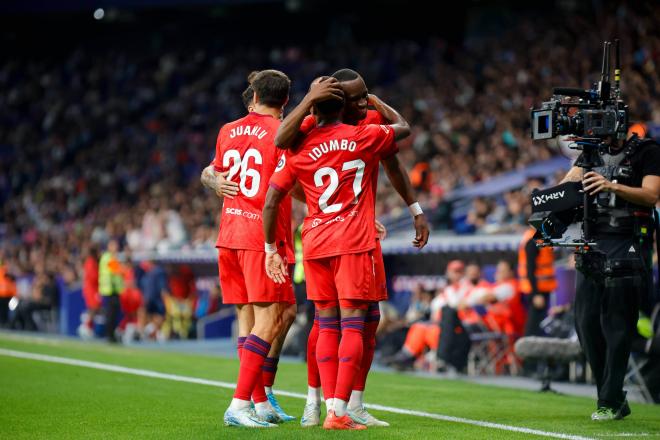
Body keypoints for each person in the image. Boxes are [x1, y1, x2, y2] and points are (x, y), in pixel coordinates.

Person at [275, 69, 429, 427]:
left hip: (351, 233)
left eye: (367, 95)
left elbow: (392, 163)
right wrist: (332, 206)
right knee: (328, 323)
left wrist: (414, 210)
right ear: (339, 102)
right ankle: (319, 402)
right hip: (345, 236)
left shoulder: (367, 120)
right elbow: (282, 179)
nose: (365, 102)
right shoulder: (310, 127)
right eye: (358, 98)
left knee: (367, 320)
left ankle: (351, 404)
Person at [205, 70, 297, 429]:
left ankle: (258, 402)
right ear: (286, 101)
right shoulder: (283, 134)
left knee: (248, 321)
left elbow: (214, 173)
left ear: (253, 96)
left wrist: (209, 178)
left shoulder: (227, 130)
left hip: (228, 234)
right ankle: (239, 403)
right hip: (260, 237)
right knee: (270, 320)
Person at [559, 130, 660, 420]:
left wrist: (610, 186)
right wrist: (560, 191)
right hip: (593, 241)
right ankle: (613, 395)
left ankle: (609, 400)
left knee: (617, 323)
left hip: (629, 240)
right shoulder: (590, 153)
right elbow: (566, 187)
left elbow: (651, 195)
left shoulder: (647, 151)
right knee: (585, 321)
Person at [518, 227, 557, 337]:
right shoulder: (533, 241)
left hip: (541, 289)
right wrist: (536, 294)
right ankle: (528, 352)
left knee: (540, 326)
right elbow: (530, 270)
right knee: (533, 327)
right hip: (536, 291)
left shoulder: (540, 239)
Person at [98, 239, 124, 343]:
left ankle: (111, 334)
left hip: (114, 290)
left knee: (114, 314)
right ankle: (109, 335)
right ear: (109, 246)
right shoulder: (108, 257)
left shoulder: (112, 258)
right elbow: (116, 271)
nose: (116, 248)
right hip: (109, 291)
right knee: (110, 314)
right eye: (114, 246)